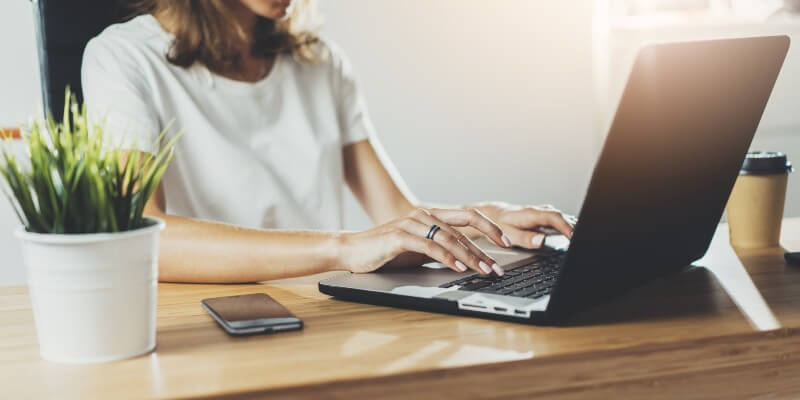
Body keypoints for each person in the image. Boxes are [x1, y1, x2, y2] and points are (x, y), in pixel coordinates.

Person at [81, 0, 574, 283]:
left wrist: (483, 220)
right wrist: (342, 248)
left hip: (317, 308)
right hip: (208, 321)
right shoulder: (122, 59)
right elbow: (140, 238)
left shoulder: (320, 62)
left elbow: (394, 216)